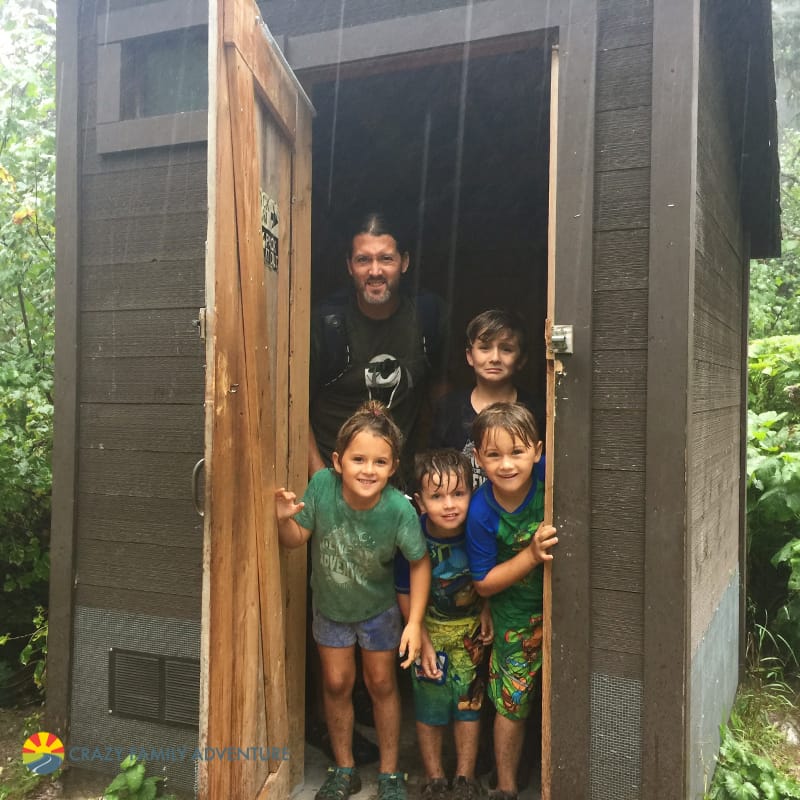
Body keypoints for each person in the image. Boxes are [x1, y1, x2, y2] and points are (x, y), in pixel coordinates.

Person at [275, 401, 431, 800]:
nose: (368, 469)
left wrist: (414, 622)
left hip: (378, 611)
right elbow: (297, 541)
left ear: (394, 467)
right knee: (336, 682)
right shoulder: (322, 487)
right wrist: (282, 521)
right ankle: (344, 768)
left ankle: (390, 773)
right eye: (358, 459)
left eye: (380, 462)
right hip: (331, 608)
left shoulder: (399, 510)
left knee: (380, 683)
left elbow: (419, 562)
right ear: (337, 461)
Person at [308, 211, 449, 480]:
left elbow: (439, 392)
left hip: (397, 479)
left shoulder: (427, 316)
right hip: (334, 475)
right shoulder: (326, 324)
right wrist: (320, 481)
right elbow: (295, 405)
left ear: (404, 262)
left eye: (386, 259)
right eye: (363, 260)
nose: (375, 271)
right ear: (350, 265)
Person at [465, 403, 558, 800]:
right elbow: (484, 583)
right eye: (494, 454)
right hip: (515, 617)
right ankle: (505, 786)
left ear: (537, 451)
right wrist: (531, 555)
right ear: (477, 458)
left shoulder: (549, 476)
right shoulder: (481, 512)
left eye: (517, 452)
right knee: (512, 701)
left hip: (562, 608)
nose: (507, 464)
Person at [395, 450, 493, 800]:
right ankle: (435, 778)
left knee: (469, 703)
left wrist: (487, 608)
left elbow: (490, 576)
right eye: (437, 497)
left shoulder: (477, 530)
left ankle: (465, 777)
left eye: (458, 493)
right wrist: (420, 635)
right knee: (430, 704)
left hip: (469, 632)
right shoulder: (413, 535)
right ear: (420, 502)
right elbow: (404, 590)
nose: (449, 505)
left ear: (473, 492)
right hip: (428, 631)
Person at [430, 310, 544, 489]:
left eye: (506, 349)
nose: (495, 358)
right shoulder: (448, 407)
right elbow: (435, 468)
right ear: (470, 356)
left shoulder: (536, 411)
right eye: (485, 348)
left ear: (521, 359)